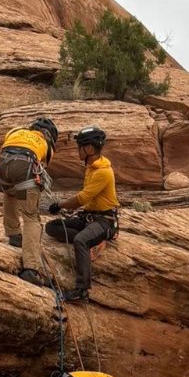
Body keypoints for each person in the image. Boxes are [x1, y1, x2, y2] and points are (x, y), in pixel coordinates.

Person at [45, 126, 118, 302]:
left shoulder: (103, 171)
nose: (78, 150)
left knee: (80, 241)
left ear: (90, 149)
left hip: (104, 221)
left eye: (80, 147)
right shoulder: (92, 167)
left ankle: (82, 291)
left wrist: (60, 205)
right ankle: (92, 240)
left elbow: (82, 198)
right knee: (51, 227)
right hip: (89, 218)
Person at [0, 117, 59, 286]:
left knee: (10, 193)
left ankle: (14, 234)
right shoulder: (47, 145)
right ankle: (31, 268)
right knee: (31, 217)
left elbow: (6, 146)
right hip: (25, 168)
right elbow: (41, 166)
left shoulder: (16, 131)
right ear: (49, 135)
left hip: (3, 165)